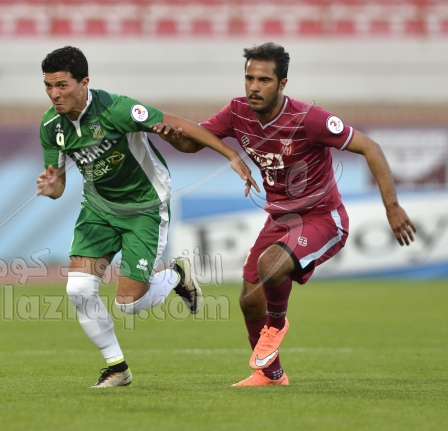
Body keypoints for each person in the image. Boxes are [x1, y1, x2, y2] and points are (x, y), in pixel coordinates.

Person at [152, 42, 417, 386]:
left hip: (323, 218)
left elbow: (370, 146)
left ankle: (276, 325)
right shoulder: (237, 112)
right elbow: (192, 142)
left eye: (264, 80)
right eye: (249, 78)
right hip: (280, 219)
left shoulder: (309, 119)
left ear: (282, 83)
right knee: (249, 300)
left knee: (270, 265)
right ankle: (271, 375)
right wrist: (174, 138)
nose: (254, 87)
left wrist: (392, 207)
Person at [35, 46, 257, 388]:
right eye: (48, 86)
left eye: (62, 85)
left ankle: (176, 275)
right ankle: (117, 368)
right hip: (98, 208)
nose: (54, 94)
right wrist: (51, 186)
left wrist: (230, 155)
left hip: (144, 206)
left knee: (128, 304)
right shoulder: (51, 126)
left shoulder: (117, 109)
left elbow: (178, 124)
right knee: (78, 289)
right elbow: (58, 185)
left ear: (84, 82)